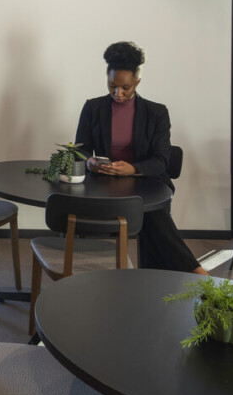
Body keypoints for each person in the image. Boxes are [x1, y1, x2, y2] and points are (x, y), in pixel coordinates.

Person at [73, 41, 209, 275]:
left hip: (147, 185)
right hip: (104, 187)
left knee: (150, 213)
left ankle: (190, 274)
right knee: (153, 219)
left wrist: (133, 169)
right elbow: (79, 150)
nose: (118, 93)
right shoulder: (93, 108)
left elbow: (162, 160)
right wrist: (89, 162)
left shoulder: (156, 113)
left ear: (137, 81)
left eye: (125, 87)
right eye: (112, 86)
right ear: (107, 78)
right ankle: (193, 274)